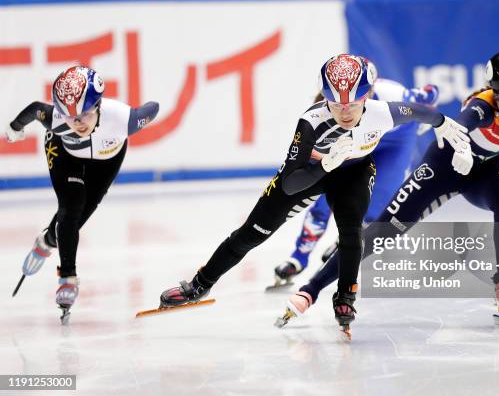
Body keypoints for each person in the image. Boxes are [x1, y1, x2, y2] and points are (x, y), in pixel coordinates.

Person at [277, 49, 499, 327]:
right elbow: (459, 125)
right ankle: (312, 288)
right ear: (493, 91)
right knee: (382, 231)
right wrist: (461, 147)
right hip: (445, 166)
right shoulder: (482, 105)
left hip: (487, 171)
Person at [159, 53, 471, 338]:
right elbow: (290, 185)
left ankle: (345, 295)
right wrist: (327, 164)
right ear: (325, 98)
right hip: (306, 175)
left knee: (352, 232)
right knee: (249, 235)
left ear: (367, 96)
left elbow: (419, 111)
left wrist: (441, 122)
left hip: (353, 172)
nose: (345, 112)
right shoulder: (310, 123)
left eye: (352, 103)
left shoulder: (383, 113)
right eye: (336, 104)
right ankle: (200, 285)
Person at [6, 66, 159, 324]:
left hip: (106, 161)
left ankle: (46, 241)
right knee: (71, 209)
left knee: (67, 228)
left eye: (85, 114)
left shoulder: (123, 119)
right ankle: (68, 278)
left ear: (98, 104)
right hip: (66, 155)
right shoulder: (55, 118)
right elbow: (34, 109)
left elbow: (152, 108)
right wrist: (14, 128)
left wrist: (14, 128)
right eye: (70, 116)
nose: (78, 123)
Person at [269, 65, 440, 289]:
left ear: (373, 90)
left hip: (395, 141)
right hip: (355, 141)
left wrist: (425, 116)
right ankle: (299, 257)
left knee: (377, 205)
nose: (348, 103)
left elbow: (432, 92)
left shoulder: (395, 96)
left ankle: (347, 241)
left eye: (359, 95)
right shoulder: (325, 111)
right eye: (340, 100)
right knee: (325, 197)